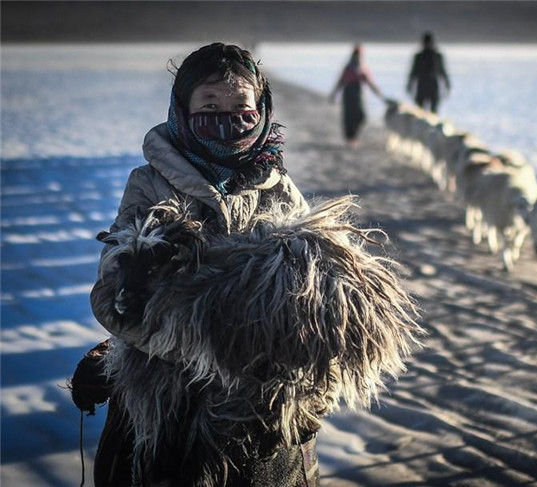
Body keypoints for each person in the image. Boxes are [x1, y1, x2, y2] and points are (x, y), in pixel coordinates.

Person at [84, 42, 315, 486]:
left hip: (263, 401)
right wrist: (202, 347)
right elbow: (110, 294)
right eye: (210, 105)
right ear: (182, 110)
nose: (227, 118)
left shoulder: (280, 189)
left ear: (262, 110)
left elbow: (311, 287)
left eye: (240, 107)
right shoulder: (150, 184)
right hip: (168, 396)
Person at [329, 44, 383, 148]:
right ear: (353, 55)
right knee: (348, 117)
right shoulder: (348, 67)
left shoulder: (362, 66)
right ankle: (350, 139)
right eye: (356, 54)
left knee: (361, 116)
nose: (358, 56)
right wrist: (334, 94)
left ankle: (354, 137)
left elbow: (369, 81)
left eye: (359, 54)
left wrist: (377, 92)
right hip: (348, 93)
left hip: (358, 94)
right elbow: (340, 81)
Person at [407, 32, 451, 114]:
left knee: (433, 112)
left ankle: (431, 125)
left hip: (432, 87)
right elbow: (413, 72)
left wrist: (447, 85)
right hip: (422, 87)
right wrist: (409, 85)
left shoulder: (437, 56)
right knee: (420, 112)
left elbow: (442, 72)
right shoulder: (419, 57)